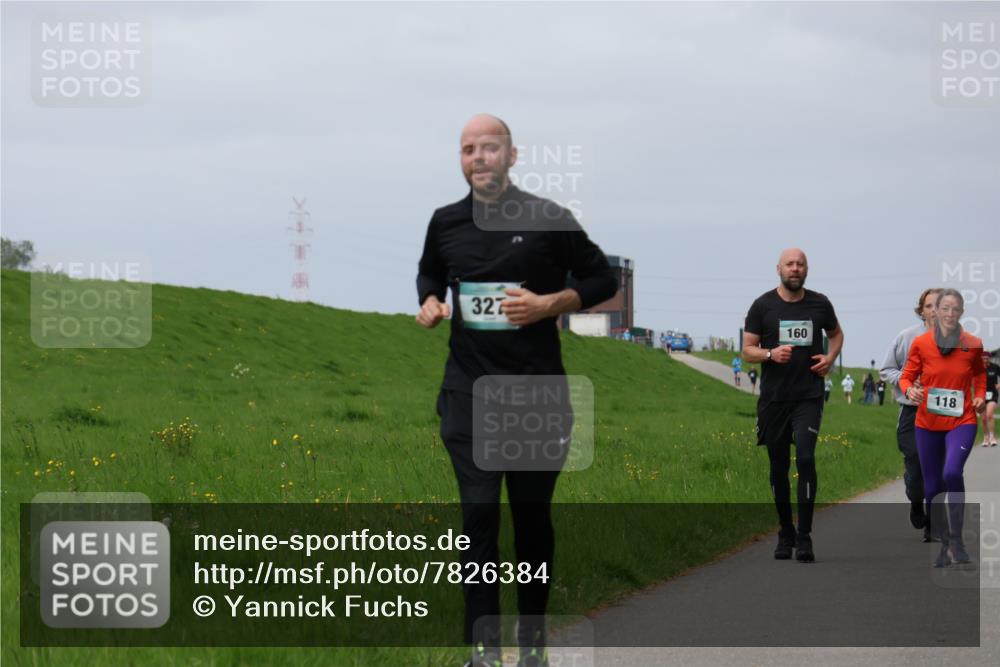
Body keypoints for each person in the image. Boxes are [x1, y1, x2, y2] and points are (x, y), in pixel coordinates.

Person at [416, 114, 616, 667]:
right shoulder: (445, 222)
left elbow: (604, 279)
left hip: (536, 399)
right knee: (478, 519)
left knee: (531, 523)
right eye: (466, 149)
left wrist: (552, 304)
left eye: (488, 148)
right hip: (469, 396)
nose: (477, 157)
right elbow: (430, 274)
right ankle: (482, 652)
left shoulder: (549, 219)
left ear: (511, 155)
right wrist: (431, 301)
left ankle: (532, 647)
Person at [742, 248, 843, 563]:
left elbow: (836, 334)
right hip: (774, 399)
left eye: (800, 264)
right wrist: (770, 354)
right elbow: (747, 349)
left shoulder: (820, 303)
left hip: (808, 396)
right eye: (790, 264)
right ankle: (785, 532)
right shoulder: (762, 306)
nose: (795, 269)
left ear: (807, 269)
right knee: (778, 466)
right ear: (779, 269)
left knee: (807, 457)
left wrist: (830, 358)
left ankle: (805, 536)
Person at [899, 289, 987, 567]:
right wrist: (909, 390)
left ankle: (958, 541)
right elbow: (906, 377)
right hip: (927, 424)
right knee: (933, 485)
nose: (949, 314)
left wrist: (980, 395)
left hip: (962, 422)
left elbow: (980, 374)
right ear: (935, 312)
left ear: (961, 313)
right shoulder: (921, 343)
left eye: (955, 309)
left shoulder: (973, 344)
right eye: (944, 308)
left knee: (951, 472)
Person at [880, 287, 940, 541]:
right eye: (929, 306)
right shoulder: (906, 337)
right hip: (911, 412)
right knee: (915, 464)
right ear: (921, 310)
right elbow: (886, 370)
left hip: (943, 412)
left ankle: (934, 526)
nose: (935, 310)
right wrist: (908, 385)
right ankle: (916, 500)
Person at [981, 349, 998, 447]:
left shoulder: (995, 367)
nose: (985, 360)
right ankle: (986, 437)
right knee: (983, 419)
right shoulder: (978, 368)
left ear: (989, 358)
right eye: (983, 359)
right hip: (981, 395)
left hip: (993, 394)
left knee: (989, 415)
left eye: (987, 358)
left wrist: (999, 384)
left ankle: (992, 437)